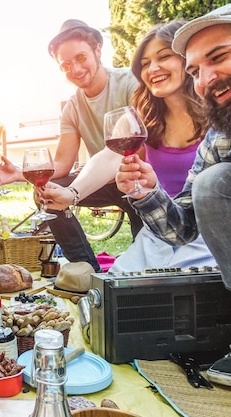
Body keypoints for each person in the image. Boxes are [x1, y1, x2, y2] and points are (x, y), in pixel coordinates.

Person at [39, 20, 215, 272]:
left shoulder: (218, 113)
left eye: (164, 56)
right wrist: (72, 194)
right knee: (115, 289)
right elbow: (111, 155)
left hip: (207, 231)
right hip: (163, 226)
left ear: (188, 59)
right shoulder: (144, 113)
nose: (153, 68)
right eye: (145, 63)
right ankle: (86, 271)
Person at [115, 4, 231, 384]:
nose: (206, 79)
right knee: (210, 183)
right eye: (197, 70)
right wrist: (148, 194)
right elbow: (183, 229)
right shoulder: (218, 139)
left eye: (221, 56)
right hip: (194, 246)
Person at [0, 19, 144, 272]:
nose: (75, 68)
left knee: (145, 252)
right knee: (48, 193)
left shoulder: (130, 83)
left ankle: (143, 270)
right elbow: (62, 164)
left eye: (81, 57)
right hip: (102, 181)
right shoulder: (73, 106)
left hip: (138, 178)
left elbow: (141, 146)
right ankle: (86, 270)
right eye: (66, 65)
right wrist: (19, 174)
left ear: (98, 50)